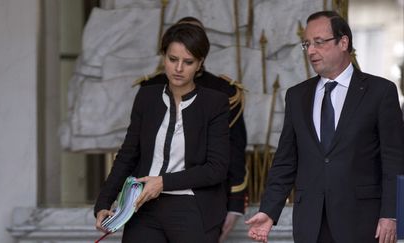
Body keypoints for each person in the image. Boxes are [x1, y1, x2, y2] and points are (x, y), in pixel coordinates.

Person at [246, 10, 404, 243]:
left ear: (343, 42)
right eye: (307, 44)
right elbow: (285, 160)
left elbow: (394, 161)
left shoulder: (380, 92)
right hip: (310, 224)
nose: (310, 51)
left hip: (363, 222)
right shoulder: (297, 96)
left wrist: (391, 215)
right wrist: (269, 210)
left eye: (318, 42)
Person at [94, 23, 231, 243]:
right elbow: (128, 154)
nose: (178, 68)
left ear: (200, 64)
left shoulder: (215, 103)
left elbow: (216, 169)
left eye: (188, 62)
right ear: (163, 57)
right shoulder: (146, 97)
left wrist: (163, 182)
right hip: (143, 207)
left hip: (192, 208)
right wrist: (103, 203)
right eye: (172, 59)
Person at [139, 16, 248, 242]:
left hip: (202, 202)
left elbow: (234, 150)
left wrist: (235, 203)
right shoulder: (150, 89)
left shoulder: (223, 92)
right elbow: (137, 150)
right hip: (148, 204)